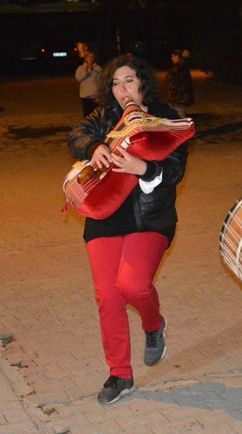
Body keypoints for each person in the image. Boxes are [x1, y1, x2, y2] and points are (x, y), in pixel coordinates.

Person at [67, 54, 188, 405]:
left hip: (149, 217)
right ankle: (120, 373)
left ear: (143, 83)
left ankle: (154, 326)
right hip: (104, 217)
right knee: (108, 295)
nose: (123, 90)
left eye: (129, 81)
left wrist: (143, 168)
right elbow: (77, 135)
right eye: (116, 83)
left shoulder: (166, 118)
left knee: (132, 285)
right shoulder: (104, 117)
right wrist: (95, 145)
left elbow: (175, 171)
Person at [167, 49, 195, 117]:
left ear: (177, 56)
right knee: (178, 115)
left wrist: (184, 57)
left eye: (173, 56)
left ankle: (184, 126)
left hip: (180, 97)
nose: (171, 58)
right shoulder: (180, 66)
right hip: (178, 97)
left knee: (180, 115)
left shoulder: (180, 66)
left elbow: (177, 80)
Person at [75, 50, 102, 117]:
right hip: (85, 96)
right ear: (85, 58)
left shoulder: (98, 68)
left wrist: (93, 68)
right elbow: (78, 78)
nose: (90, 59)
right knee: (87, 114)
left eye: (91, 57)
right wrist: (87, 71)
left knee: (97, 114)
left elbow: (102, 76)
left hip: (96, 95)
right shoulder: (80, 68)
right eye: (88, 57)